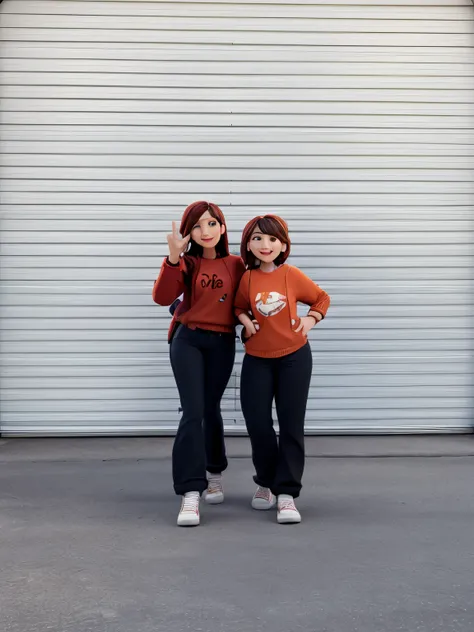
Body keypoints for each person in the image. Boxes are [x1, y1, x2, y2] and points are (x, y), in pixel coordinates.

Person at [152, 201, 245, 527]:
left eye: (211, 224)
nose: (204, 231)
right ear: (188, 232)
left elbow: (247, 301)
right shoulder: (186, 263)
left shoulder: (237, 264)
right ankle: (190, 493)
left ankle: (214, 471)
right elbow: (162, 298)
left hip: (221, 343)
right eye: (196, 226)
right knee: (192, 411)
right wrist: (174, 258)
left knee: (210, 409)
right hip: (187, 340)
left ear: (222, 227)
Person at [234, 215, 330, 524]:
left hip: (294, 358)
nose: (265, 245)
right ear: (248, 243)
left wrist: (310, 320)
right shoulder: (247, 278)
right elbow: (238, 307)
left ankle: (286, 493)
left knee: (291, 424)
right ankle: (265, 482)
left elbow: (321, 298)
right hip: (257, 359)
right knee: (258, 424)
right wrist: (245, 321)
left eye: (273, 239)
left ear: (283, 245)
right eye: (258, 238)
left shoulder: (291, 275)